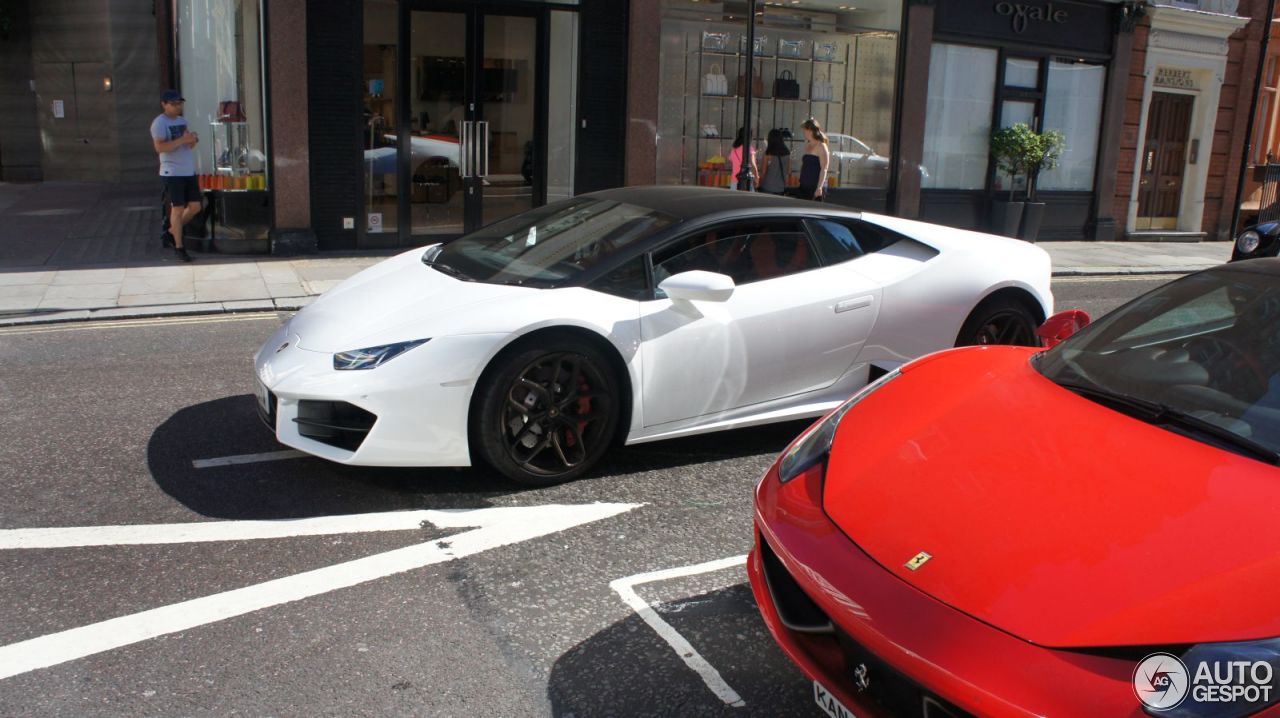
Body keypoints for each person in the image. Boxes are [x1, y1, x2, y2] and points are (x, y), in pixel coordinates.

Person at [151, 89, 199, 262]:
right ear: (164, 104)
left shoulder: (182, 121)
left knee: (195, 207)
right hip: (172, 172)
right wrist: (182, 140)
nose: (178, 107)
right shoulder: (159, 123)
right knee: (177, 208)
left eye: (180, 103)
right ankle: (179, 247)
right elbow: (160, 148)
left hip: (188, 170)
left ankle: (171, 232)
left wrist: (192, 140)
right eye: (174, 104)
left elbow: (189, 146)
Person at [797, 118, 830, 202]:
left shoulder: (821, 146)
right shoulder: (808, 145)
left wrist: (819, 187)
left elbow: (824, 168)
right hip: (804, 185)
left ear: (811, 130)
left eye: (805, 130)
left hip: (815, 187)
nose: (804, 132)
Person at [759, 129, 791, 195]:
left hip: (767, 186)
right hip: (781, 188)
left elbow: (763, 172)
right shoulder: (787, 153)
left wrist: (759, 183)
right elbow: (789, 171)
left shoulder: (768, 154)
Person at [728, 127, 758, 191]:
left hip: (735, 180)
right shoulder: (749, 149)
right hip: (747, 182)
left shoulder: (734, 149)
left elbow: (731, 160)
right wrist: (757, 177)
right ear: (749, 137)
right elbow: (753, 165)